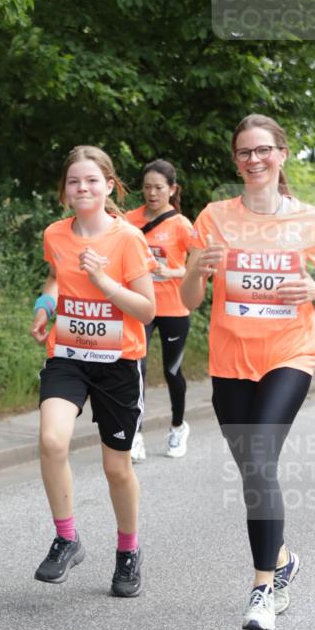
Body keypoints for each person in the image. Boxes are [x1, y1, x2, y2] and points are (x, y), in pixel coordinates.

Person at [181, 113, 315, 630]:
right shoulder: (213, 217)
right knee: (255, 472)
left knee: (259, 457)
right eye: (245, 152)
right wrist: (193, 271)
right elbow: (190, 301)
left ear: (282, 154)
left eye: (263, 150)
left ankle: (262, 590)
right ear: (236, 160)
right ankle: (284, 559)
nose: (254, 160)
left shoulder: (310, 219)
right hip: (229, 359)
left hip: (290, 352)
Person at [30, 145, 156, 597]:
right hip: (67, 354)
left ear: (109, 185)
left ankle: (128, 551)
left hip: (118, 363)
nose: (82, 188)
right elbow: (56, 277)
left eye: (90, 181)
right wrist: (45, 306)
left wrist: (104, 281)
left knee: (116, 468)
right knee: (50, 440)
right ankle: (67, 538)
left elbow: (146, 310)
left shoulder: (127, 239)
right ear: (64, 191)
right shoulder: (55, 234)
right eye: (73, 182)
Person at [125, 160, 194, 461]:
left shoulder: (181, 225)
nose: (152, 193)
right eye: (147, 187)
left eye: (159, 188)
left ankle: (178, 427)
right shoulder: (129, 220)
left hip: (174, 309)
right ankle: (135, 434)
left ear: (172, 189)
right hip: (140, 306)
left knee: (171, 370)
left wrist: (174, 272)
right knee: (135, 369)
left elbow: (201, 266)